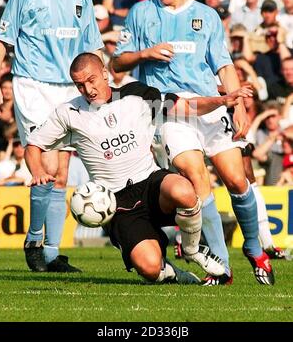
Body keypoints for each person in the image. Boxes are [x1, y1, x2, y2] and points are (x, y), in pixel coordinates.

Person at [113, 0, 275, 286]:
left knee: (235, 180)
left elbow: (224, 66)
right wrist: (145, 54)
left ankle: (255, 249)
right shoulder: (141, 13)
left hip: (213, 105)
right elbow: (117, 62)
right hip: (170, 110)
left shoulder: (207, 16)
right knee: (196, 175)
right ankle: (222, 268)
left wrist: (239, 106)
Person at [24, 53, 251, 284]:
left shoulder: (137, 95)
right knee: (150, 269)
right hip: (117, 204)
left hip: (151, 184)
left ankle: (192, 250)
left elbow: (185, 106)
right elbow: (33, 144)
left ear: (104, 73)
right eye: (80, 85)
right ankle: (173, 273)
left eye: (91, 80)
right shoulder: (69, 113)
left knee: (184, 190)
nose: (88, 89)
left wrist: (222, 101)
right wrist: (37, 171)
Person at [0, 0, 104, 273]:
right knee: (49, 166)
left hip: (70, 89)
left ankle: (50, 253)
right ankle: (34, 240)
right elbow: (2, 42)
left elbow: (93, 45)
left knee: (63, 174)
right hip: (33, 85)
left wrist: (103, 82)